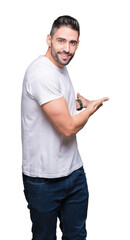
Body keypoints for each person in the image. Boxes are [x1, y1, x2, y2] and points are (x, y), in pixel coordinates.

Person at [21, 15, 109, 240]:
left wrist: (81, 103)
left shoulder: (59, 67)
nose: (67, 49)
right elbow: (68, 127)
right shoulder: (42, 73)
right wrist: (89, 110)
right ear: (49, 39)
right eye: (61, 41)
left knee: (77, 235)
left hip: (74, 173)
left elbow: (59, 104)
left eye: (72, 43)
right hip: (44, 180)